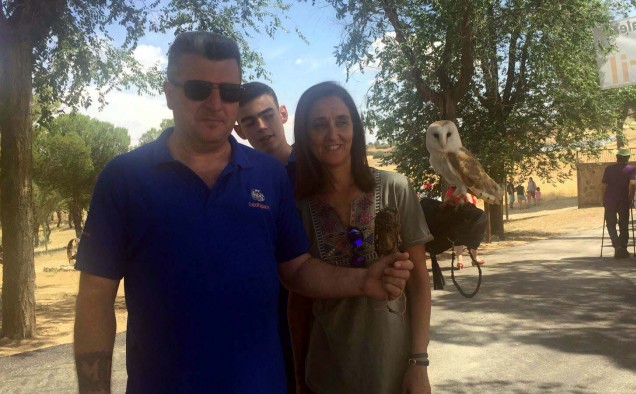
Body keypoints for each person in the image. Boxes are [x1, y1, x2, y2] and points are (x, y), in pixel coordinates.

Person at [73, 32, 414, 393]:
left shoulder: (268, 176)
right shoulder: (125, 177)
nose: (215, 103)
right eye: (198, 89)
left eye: (229, 92)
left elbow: (297, 269)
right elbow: (95, 295)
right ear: (169, 92)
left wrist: (362, 282)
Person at [288, 81, 432, 394]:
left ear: (355, 128)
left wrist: (419, 364)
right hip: (327, 376)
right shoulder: (298, 207)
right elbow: (298, 299)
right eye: (319, 125)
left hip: (393, 374)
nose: (332, 135)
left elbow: (420, 281)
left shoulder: (396, 189)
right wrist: (299, 377)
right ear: (304, 134)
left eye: (341, 122)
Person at [233, 81, 297, 391]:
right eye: (249, 121)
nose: (261, 126)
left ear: (283, 114)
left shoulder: (321, 169)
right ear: (239, 130)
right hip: (267, 322)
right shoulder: (238, 181)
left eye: (267, 115)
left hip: (326, 309)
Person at [601, 148, 636, 258]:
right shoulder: (631, 169)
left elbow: (603, 186)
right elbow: (633, 184)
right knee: (624, 224)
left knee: (610, 224)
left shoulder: (608, 169)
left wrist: (603, 199)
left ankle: (617, 246)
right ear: (628, 158)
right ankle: (623, 247)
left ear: (617, 157)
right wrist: (630, 198)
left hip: (610, 200)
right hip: (623, 200)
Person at [445, 186, 486, 268]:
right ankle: (460, 260)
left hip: (471, 218)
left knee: (474, 237)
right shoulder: (452, 191)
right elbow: (446, 203)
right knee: (458, 239)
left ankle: (475, 258)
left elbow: (472, 205)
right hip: (458, 218)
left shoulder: (471, 191)